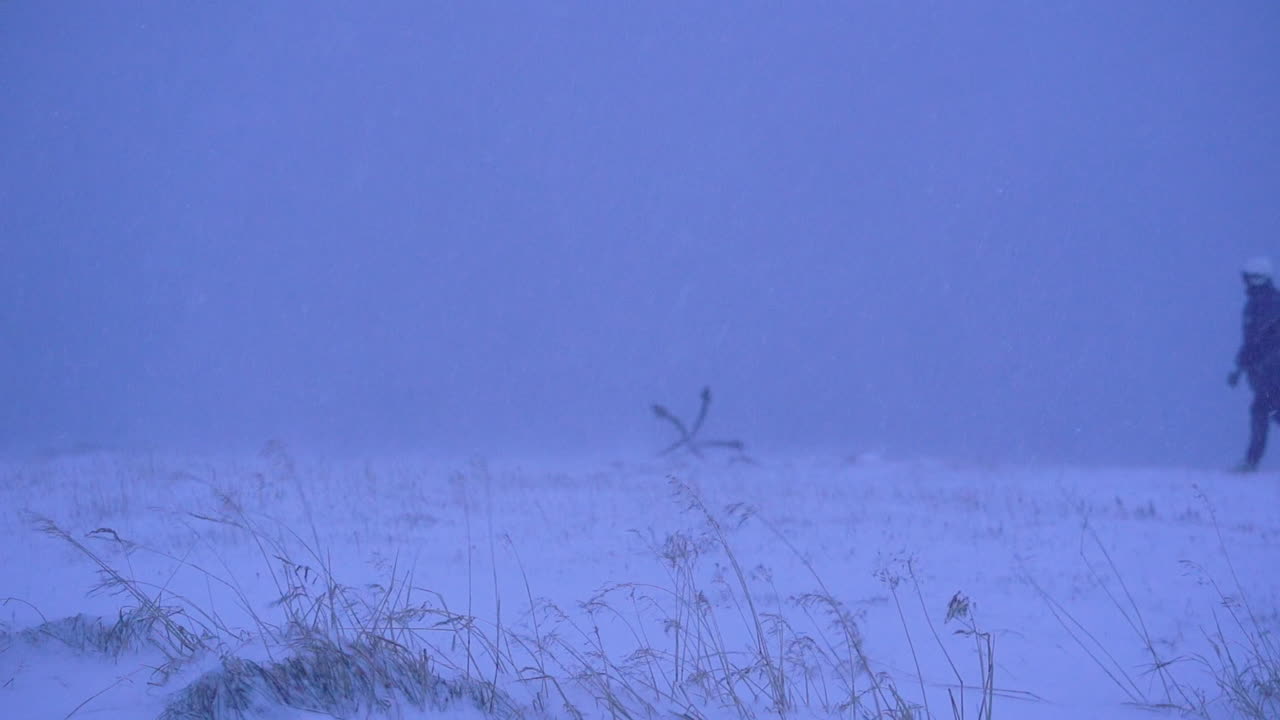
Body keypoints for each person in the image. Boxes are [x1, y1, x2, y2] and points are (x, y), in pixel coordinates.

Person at [1228, 256, 1280, 471]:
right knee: (1269, 411)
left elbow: (1267, 338)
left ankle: (1251, 461)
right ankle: (1251, 460)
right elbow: (1250, 342)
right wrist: (1239, 369)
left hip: (1272, 370)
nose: (1245, 283)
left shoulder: (1270, 303)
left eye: (1248, 278)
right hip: (1262, 371)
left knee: (1262, 410)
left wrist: (1265, 363)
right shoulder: (1255, 304)